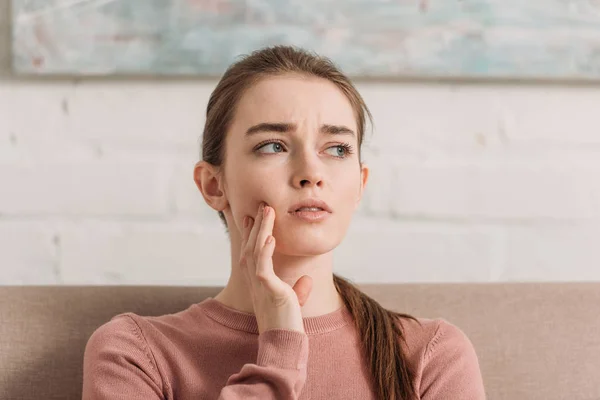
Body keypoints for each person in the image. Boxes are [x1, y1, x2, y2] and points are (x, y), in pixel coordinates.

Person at [82, 45, 486, 400]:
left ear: (359, 184)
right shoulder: (135, 352)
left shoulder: (430, 354)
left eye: (337, 148)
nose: (311, 172)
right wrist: (280, 354)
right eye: (273, 146)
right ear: (212, 185)